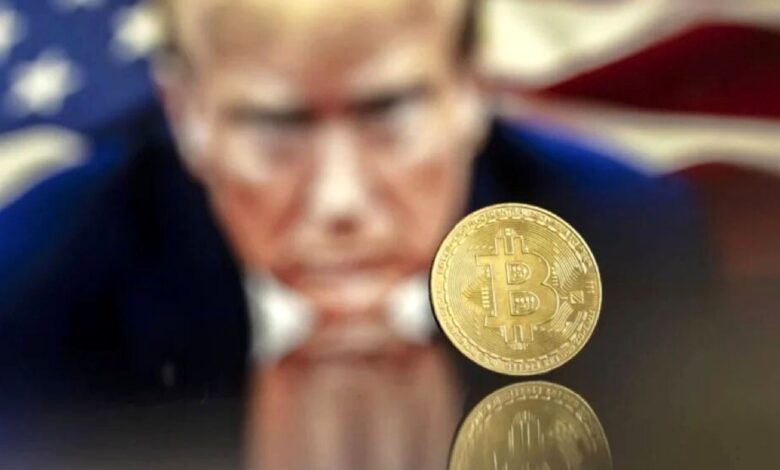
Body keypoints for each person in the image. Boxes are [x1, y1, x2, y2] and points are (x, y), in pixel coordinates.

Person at [0, 0, 713, 467]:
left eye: (388, 112)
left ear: (472, 89)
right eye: (277, 124)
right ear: (186, 114)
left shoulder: (624, 241)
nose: (339, 200)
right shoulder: (37, 275)